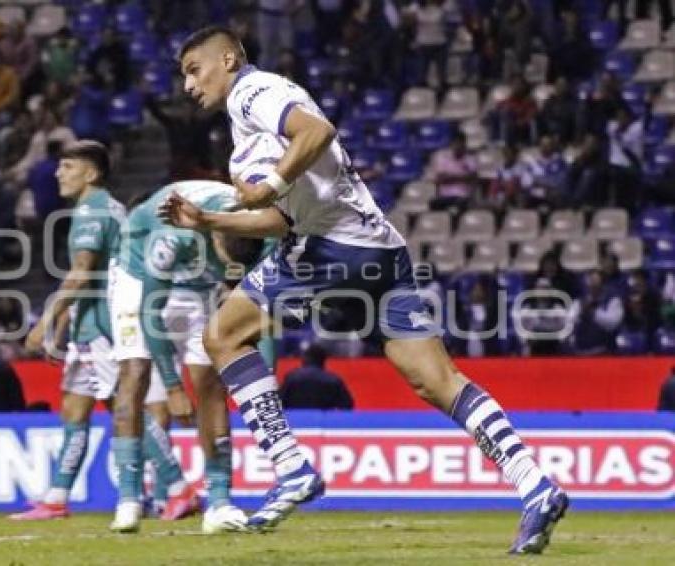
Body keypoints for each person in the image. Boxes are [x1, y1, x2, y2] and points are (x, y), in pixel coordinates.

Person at [161, 26, 568, 553]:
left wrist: (267, 185)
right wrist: (209, 220)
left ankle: (290, 468)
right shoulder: (249, 128)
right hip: (377, 251)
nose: (189, 85)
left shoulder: (255, 93)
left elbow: (318, 132)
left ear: (229, 57)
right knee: (435, 381)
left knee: (222, 337)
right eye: (183, 76)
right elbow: (281, 219)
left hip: (333, 250)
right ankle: (536, 485)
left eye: (195, 70)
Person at [13, 141, 193, 525]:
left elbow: (81, 272)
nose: (58, 174)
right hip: (90, 322)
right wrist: (64, 326)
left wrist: (45, 321)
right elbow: (90, 276)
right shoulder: (106, 207)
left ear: (90, 173)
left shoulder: (92, 212)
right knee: (74, 408)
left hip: (105, 326)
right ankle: (57, 497)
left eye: (66, 166)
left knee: (122, 410)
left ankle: (179, 488)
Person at [109, 179, 275, 533]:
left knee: (210, 384)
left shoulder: (267, 231)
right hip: (139, 276)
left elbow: (261, 309)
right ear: (215, 238)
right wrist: (172, 387)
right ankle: (129, 498)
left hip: (199, 282)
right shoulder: (174, 233)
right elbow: (151, 315)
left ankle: (219, 501)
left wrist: (267, 372)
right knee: (135, 372)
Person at [280, 344, 353, 410]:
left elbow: (279, 402)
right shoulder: (334, 380)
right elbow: (347, 405)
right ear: (323, 361)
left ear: (304, 359)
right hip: (324, 422)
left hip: (295, 421)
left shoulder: (291, 377)